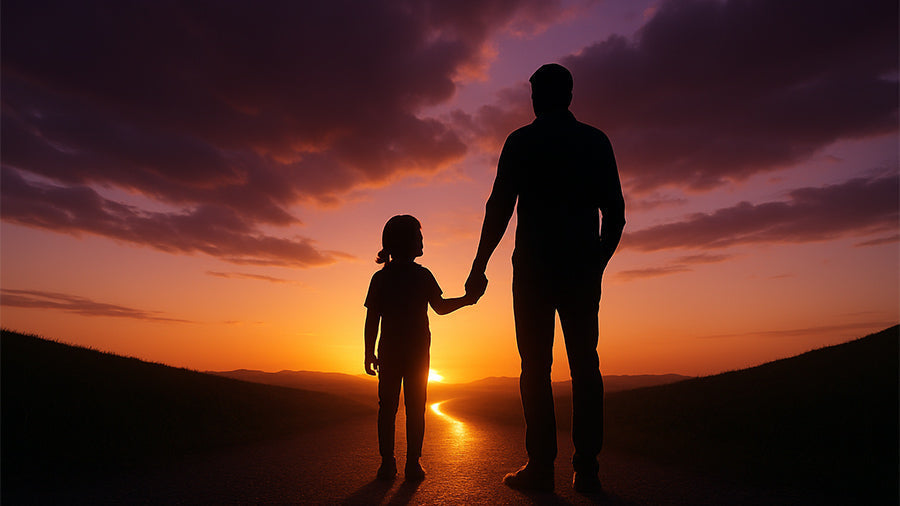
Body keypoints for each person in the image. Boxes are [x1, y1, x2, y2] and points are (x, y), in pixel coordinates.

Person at [465, 63, 625, 493]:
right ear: (569, 96)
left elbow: (498, 208)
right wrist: (597, 263)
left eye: (533, 92)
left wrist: (478, 267)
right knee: (585, 366)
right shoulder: (595, 141)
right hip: (580, 270)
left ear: (537, 97)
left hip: (533, 272)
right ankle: (587, 471)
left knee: (535, 367)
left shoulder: (522, 141)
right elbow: (616, 215)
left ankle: (540, 467)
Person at [364, 214, 479, 481]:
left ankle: (387, 463)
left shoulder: (380, 279)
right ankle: (413, 464)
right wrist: (467, 300)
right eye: (419, 236)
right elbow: (440, 307)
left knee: (388, 408)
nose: (422, 241)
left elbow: (372, 319)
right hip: (416, 354)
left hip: (390, 351)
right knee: (416, 407)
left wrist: (369, 352)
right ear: (406, 242)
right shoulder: (422, 275)